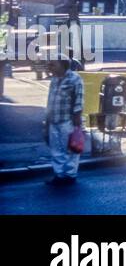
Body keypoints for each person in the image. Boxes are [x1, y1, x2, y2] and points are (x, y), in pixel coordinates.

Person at [44, 56, 85, 187]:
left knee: (70, 149)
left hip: (68, 120)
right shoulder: (54, 79)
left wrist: (77, 117)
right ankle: (59, 175)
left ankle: (70, 175)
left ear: (63, 65)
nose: (49, 67)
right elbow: (50, 100)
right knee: (56, 149)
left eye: (52, 65)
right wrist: (47, 120)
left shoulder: (75, 78)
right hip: (54, 119)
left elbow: (79, 98)